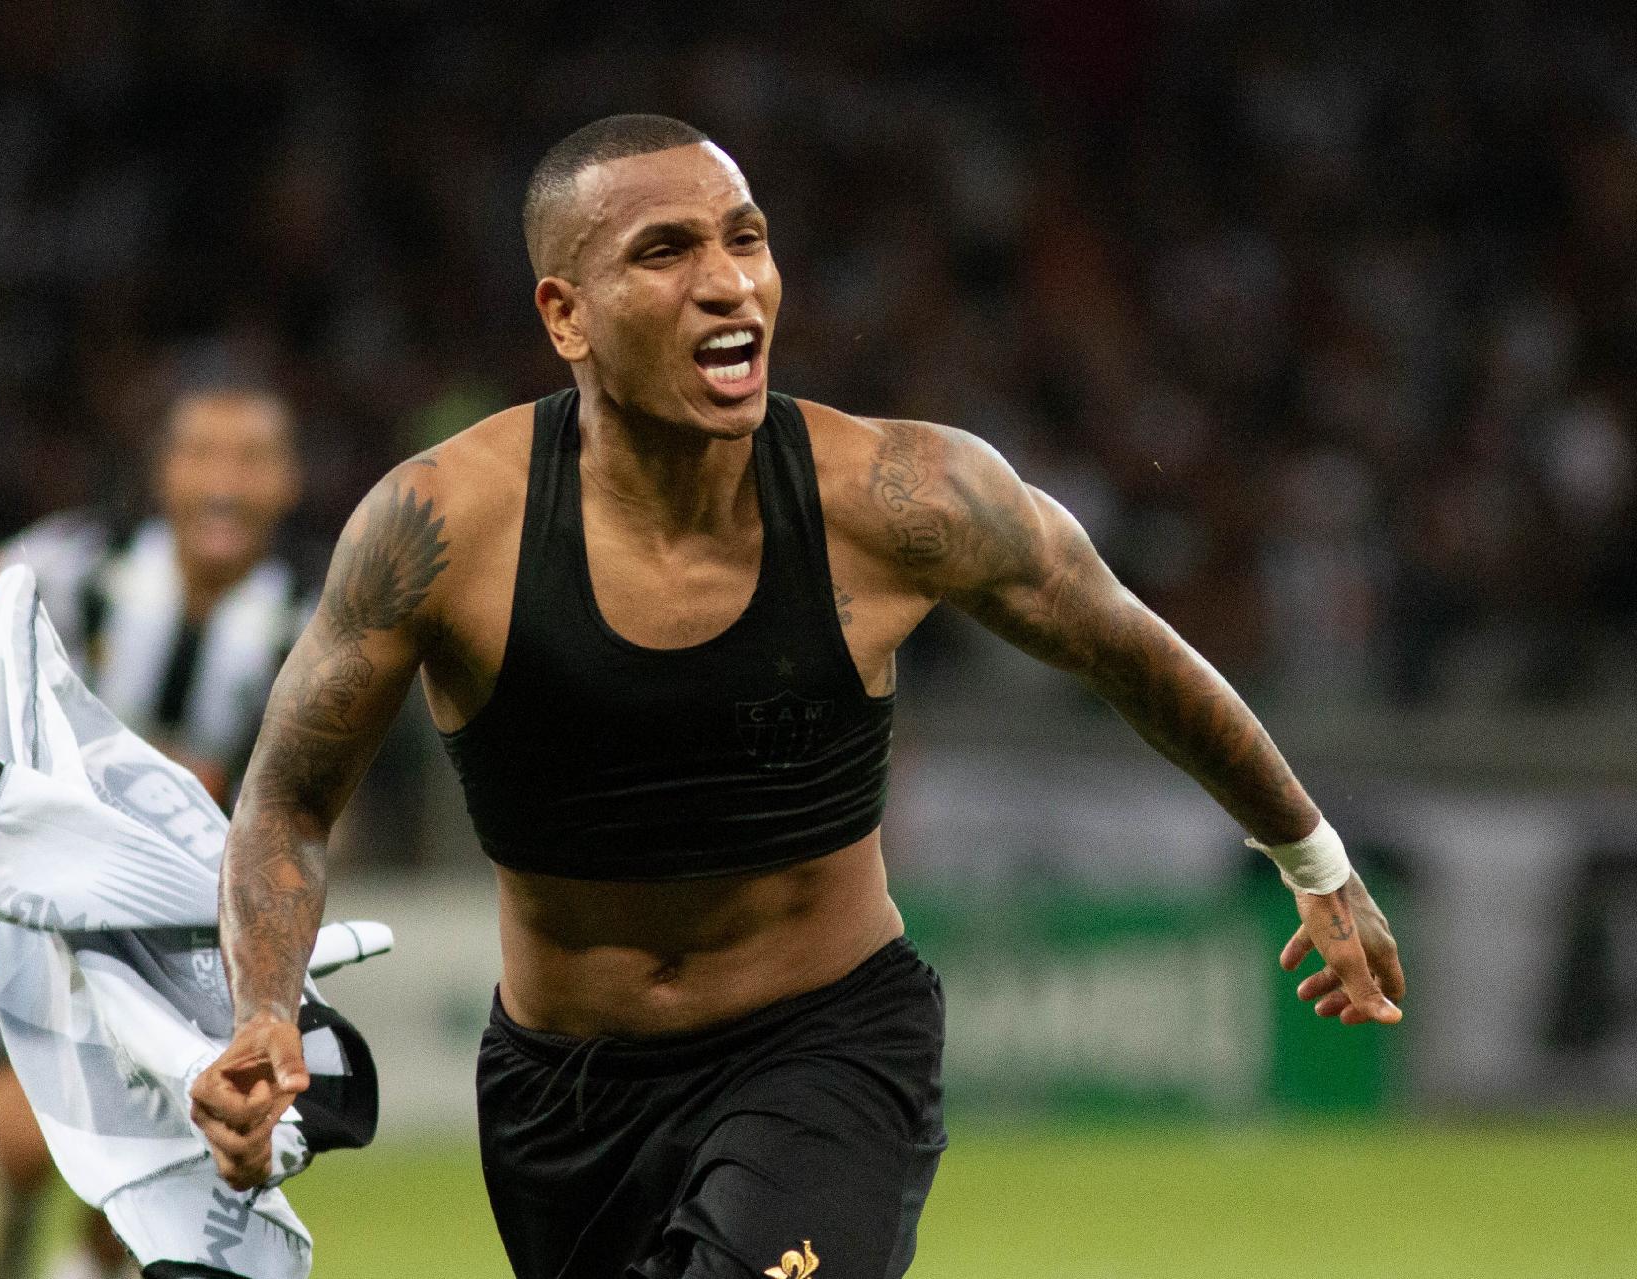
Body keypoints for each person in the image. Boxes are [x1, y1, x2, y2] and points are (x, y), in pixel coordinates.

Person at [190, 115, 1407, 1279]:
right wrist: (264, 1015)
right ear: (566, 315)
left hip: (825, 1051)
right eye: (665, 252)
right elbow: (289, 799)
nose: (729, 283)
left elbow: (1129, 650)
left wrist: (1312, 856)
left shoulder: (902, 499)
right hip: (559, 1097)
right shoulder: (439, 530)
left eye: (747, 238)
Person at [0, 384, 307, 1279]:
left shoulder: (308, 612)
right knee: (19, 1140)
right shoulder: (96, 567)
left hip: (203, 925)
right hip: (58, 900)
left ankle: (89, 1259)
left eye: (251, 459)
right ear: (165, 473)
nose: (225, 481)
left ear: (288, 481)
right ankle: (12, 1217)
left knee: (164, 1145)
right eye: (203, 454)